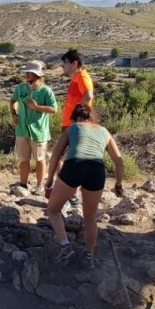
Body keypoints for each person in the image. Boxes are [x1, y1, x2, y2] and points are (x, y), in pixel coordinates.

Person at [45, 104, 124, 270]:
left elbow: (55, 155)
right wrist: (118, 184)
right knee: (90, 217)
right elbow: (118, 161)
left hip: (74, 165)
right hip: (96, 170)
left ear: (75, 118)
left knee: (53, 209)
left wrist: (50, 179)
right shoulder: (104, 131)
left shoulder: (73, 127)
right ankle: (89, 256)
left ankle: (65, 245)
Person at [10, 60, 57, 195]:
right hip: (22, 129)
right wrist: (14, 113)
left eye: (30, 73)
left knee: (39, 159)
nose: (27, 75)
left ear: (37, 75)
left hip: (39, 131)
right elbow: (13, 100)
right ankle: (23, 184)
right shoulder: (20, 88)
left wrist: (37, 107)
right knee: (24, 159)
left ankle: (40, 185)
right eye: (27, 72)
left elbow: (54, 109)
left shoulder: (46, 91)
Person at [59, 49, 94, 212]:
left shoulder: (82, 77)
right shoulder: (75, 78)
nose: (62, 66)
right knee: (65, 161)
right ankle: (71, 198)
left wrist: (77, 119)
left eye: (65, 62)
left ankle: (71, 199)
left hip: (74, 127)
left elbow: (88, 95)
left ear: (74, 63)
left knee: (68, 162)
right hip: (70, 125)